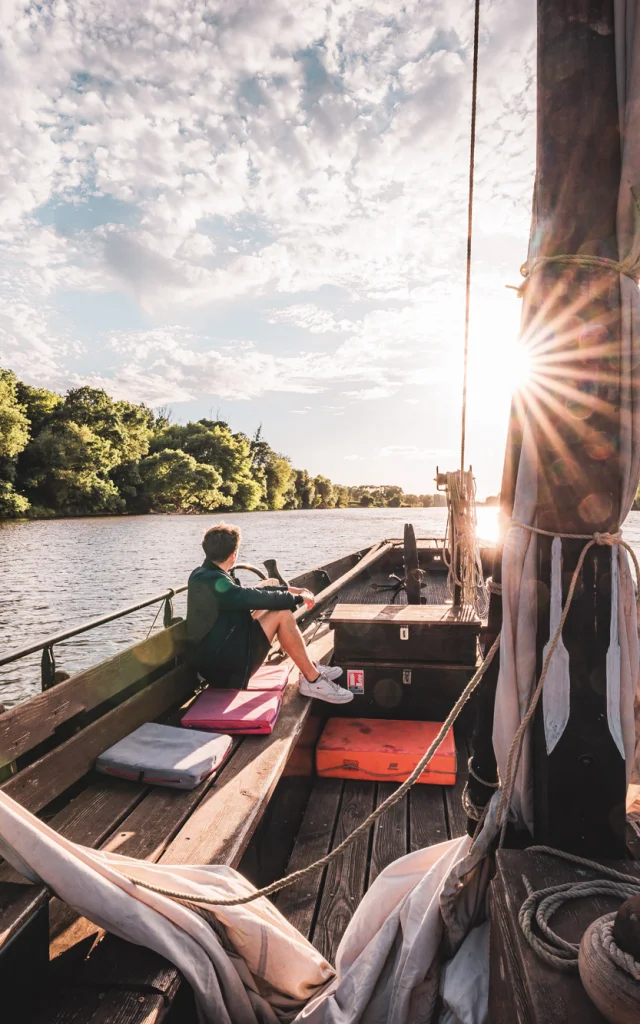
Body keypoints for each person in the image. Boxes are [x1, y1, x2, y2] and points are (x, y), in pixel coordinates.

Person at [187, 523, 354, 704]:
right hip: (224, 672)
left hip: (219, 658)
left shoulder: (206, 574)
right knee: (282, 613)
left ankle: (311, 667)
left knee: (273, 606)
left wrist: (289, 589)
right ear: (233, 556)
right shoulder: (214, 581)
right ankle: (313, 680)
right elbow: (247, 596)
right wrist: (297, 599)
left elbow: (245, 593)